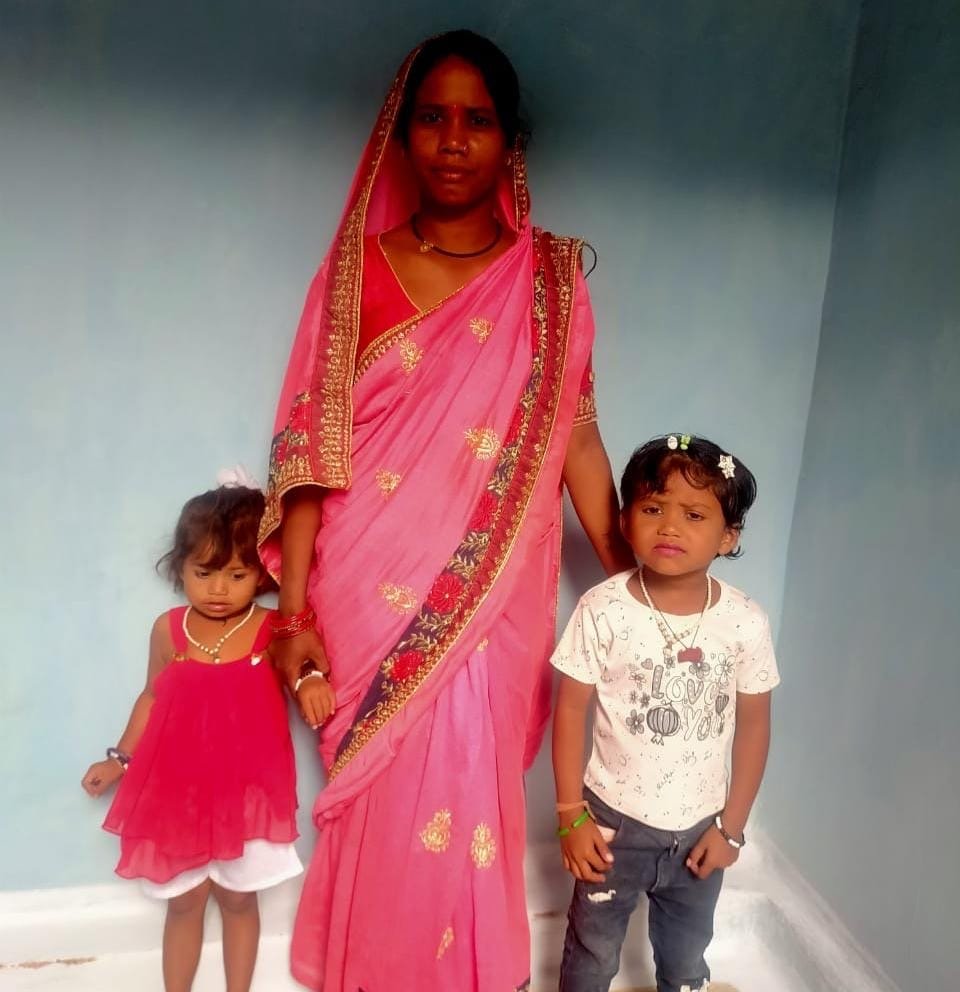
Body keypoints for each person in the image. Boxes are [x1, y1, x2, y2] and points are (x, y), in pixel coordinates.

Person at [258, 29, 635, 992]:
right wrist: (292, 615)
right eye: (432, 118)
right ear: (402, 136)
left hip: (491, 597)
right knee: (385, 798)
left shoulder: (551, 283)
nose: (454, 140)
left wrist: (640, 579)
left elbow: (576, 439)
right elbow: (310, 450)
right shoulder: (355, 273)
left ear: (512, 141)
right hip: (365, 580)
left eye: (478, 120)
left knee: (467, 790)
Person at [551, 434, 779, 992]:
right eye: (653, 509)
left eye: (694, 515)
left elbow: (754, 728)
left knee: (685, 958)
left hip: (701, 828)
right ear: (625, 521)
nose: (670, 526)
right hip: (612, 825)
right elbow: (570, 711)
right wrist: (570, 815)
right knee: (592, 953)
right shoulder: (603, 609)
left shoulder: (744, 622)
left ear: (728, 536)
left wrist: (731, 829)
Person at [81, 483, 305, 992]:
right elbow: (151, 696)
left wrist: (312, 682)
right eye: (204, 573)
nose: (219, 589)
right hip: (178, 789)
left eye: (236, 575)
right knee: (184, 902)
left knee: (238, 899)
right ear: (180, 568)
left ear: (261, 573)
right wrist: (119, 759)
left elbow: (303, 673)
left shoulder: (272, 629)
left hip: (246, 794)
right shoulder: (169, 629)